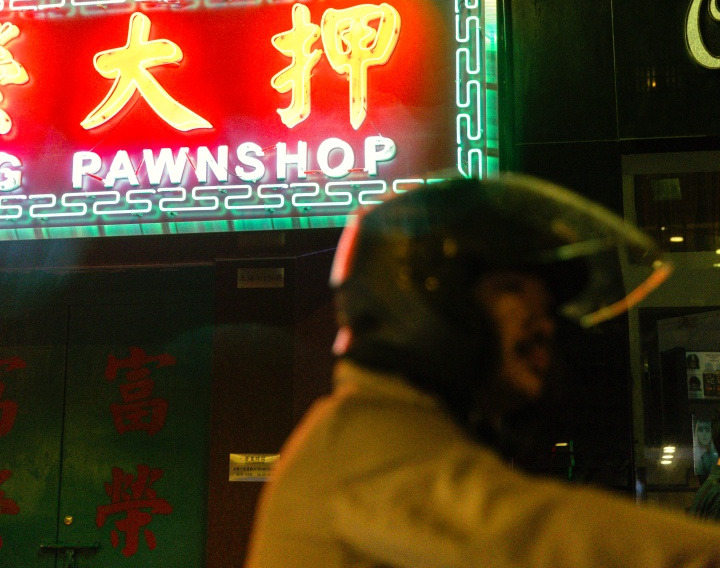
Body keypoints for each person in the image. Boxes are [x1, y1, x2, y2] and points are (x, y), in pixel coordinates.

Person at [244, 174, 720, 568]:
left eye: (548, 308)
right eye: (512, 289)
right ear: (423, 298)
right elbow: (527, 537)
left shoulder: (424, 432)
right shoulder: (361, 436)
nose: (544, 325)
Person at [692, 415, 720, 518]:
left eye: (707, 430)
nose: (704, 434)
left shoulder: (710, 487)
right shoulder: (716, 492)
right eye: (700, 430)